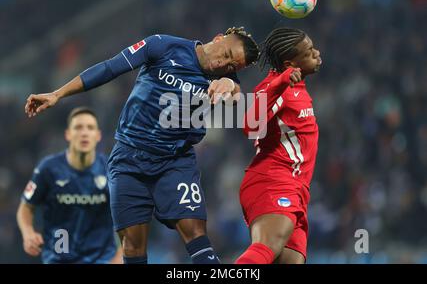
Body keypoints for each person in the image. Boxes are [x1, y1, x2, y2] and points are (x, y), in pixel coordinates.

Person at [24, 27, 260, 264]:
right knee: (133, 246)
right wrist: (58, 94)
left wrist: (230, 85)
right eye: (227, 53)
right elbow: (109, 68)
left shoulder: (223, 79)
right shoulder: (163, 45)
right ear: (219, 38)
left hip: (175, 161)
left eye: (232, 66)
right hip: (128, 159)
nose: (223, 62)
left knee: (196, 234)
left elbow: (235, 94)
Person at [235, 27, 322, 264]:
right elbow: (250, 126)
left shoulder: (298, 87)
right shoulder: (275, 85)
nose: (317, 53)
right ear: (290, 63)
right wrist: (281, 82)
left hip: (297, 190)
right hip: (272, 181)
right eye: (309, 51)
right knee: (265, 248)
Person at [17, 107, 122, 264]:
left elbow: (128, 219)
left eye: (90, 128)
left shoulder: (111, 170)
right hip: (58, 258)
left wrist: (121, 255)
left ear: (98, 135)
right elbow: (26, 207)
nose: (84, 133)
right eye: (78, 127)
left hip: (101, 259)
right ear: (68, 134)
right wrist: (28, 233)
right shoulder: (48, 169)